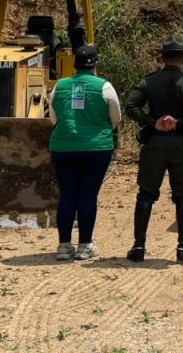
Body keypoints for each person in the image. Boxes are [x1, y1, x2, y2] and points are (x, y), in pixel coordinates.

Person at [124, 36, 183, 264]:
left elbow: (131, 106)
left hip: (154, 144)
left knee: (146, 194)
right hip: (181, 145)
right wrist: (180, 122)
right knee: (182, 196)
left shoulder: (149, 81)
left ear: (162, 58)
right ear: (182, 58)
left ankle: (139, 247)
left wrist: (153, 122)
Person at [48, 45, 122, 261]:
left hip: (62, 147)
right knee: (88, 194)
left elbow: (54, 117)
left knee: (68, 194)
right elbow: (115, 117)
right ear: (95, 63)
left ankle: (63, 245)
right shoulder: (104, 87)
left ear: (74, 63)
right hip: (96, 148)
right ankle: (85, 245)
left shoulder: (59, 86)